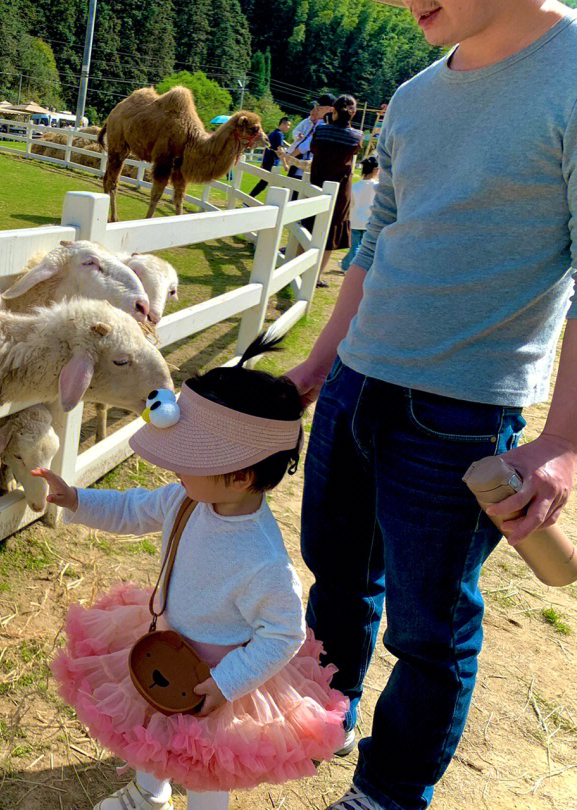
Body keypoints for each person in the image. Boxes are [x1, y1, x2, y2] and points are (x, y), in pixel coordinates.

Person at [284, 2, 577, 809]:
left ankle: (386, 793)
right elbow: (380, 236)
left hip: (461, 417)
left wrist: (563, 440)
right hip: (354, 386)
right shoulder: (412, 97)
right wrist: (319, 365)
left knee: (429, 629)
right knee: (337, 581)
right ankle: (324, 718)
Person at [35, 336, 348, 810]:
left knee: (203, 768)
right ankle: (148, 791)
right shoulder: (188, 498)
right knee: (149, 726)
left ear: (241, 475)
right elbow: (134, 509)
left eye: (191, 456)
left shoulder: (263, 562)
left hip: (216, 677)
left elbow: (283, 634)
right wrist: (77, 500)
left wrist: (225, 685)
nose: (176, 464)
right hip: (163, 644)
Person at [308, 95, 364, 286]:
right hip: (340, 192)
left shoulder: (321, 131)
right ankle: (316, 276)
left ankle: (297, 268)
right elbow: (354, 151)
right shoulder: (357, 136)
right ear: (354, 113)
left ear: (333, 110)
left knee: (307, 227)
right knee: (330, 236)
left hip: (315, 185)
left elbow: (313, 148)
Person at [341, 156, 379, 273]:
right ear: (376, 170)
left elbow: (350, 204)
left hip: (355, 220)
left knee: (355, 246)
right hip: (370, 220)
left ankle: (347, 265)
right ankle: (348, 265)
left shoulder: (355, 186)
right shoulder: (377, 187)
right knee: (363, 247)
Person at [286, 94, 335, 183]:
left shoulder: (325, 126)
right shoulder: (314, 122)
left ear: (330, 109)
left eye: (320, 108)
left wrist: (290, 156)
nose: (317, 111)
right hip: (303, 162)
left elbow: (307, 144)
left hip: (309, 165)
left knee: (296, 189)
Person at [249, 116, 292, 199]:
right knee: (265, 182)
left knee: (265, 182)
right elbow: (280, 150)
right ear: (282, 124)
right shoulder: (279, 134)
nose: (289, 127)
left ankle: (249, 199)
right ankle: (249, 199)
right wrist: (285, 164)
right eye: (288, 125)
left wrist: (262, 162)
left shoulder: (273, 133)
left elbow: (266, 148)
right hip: (272, 162)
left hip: (267, 161)